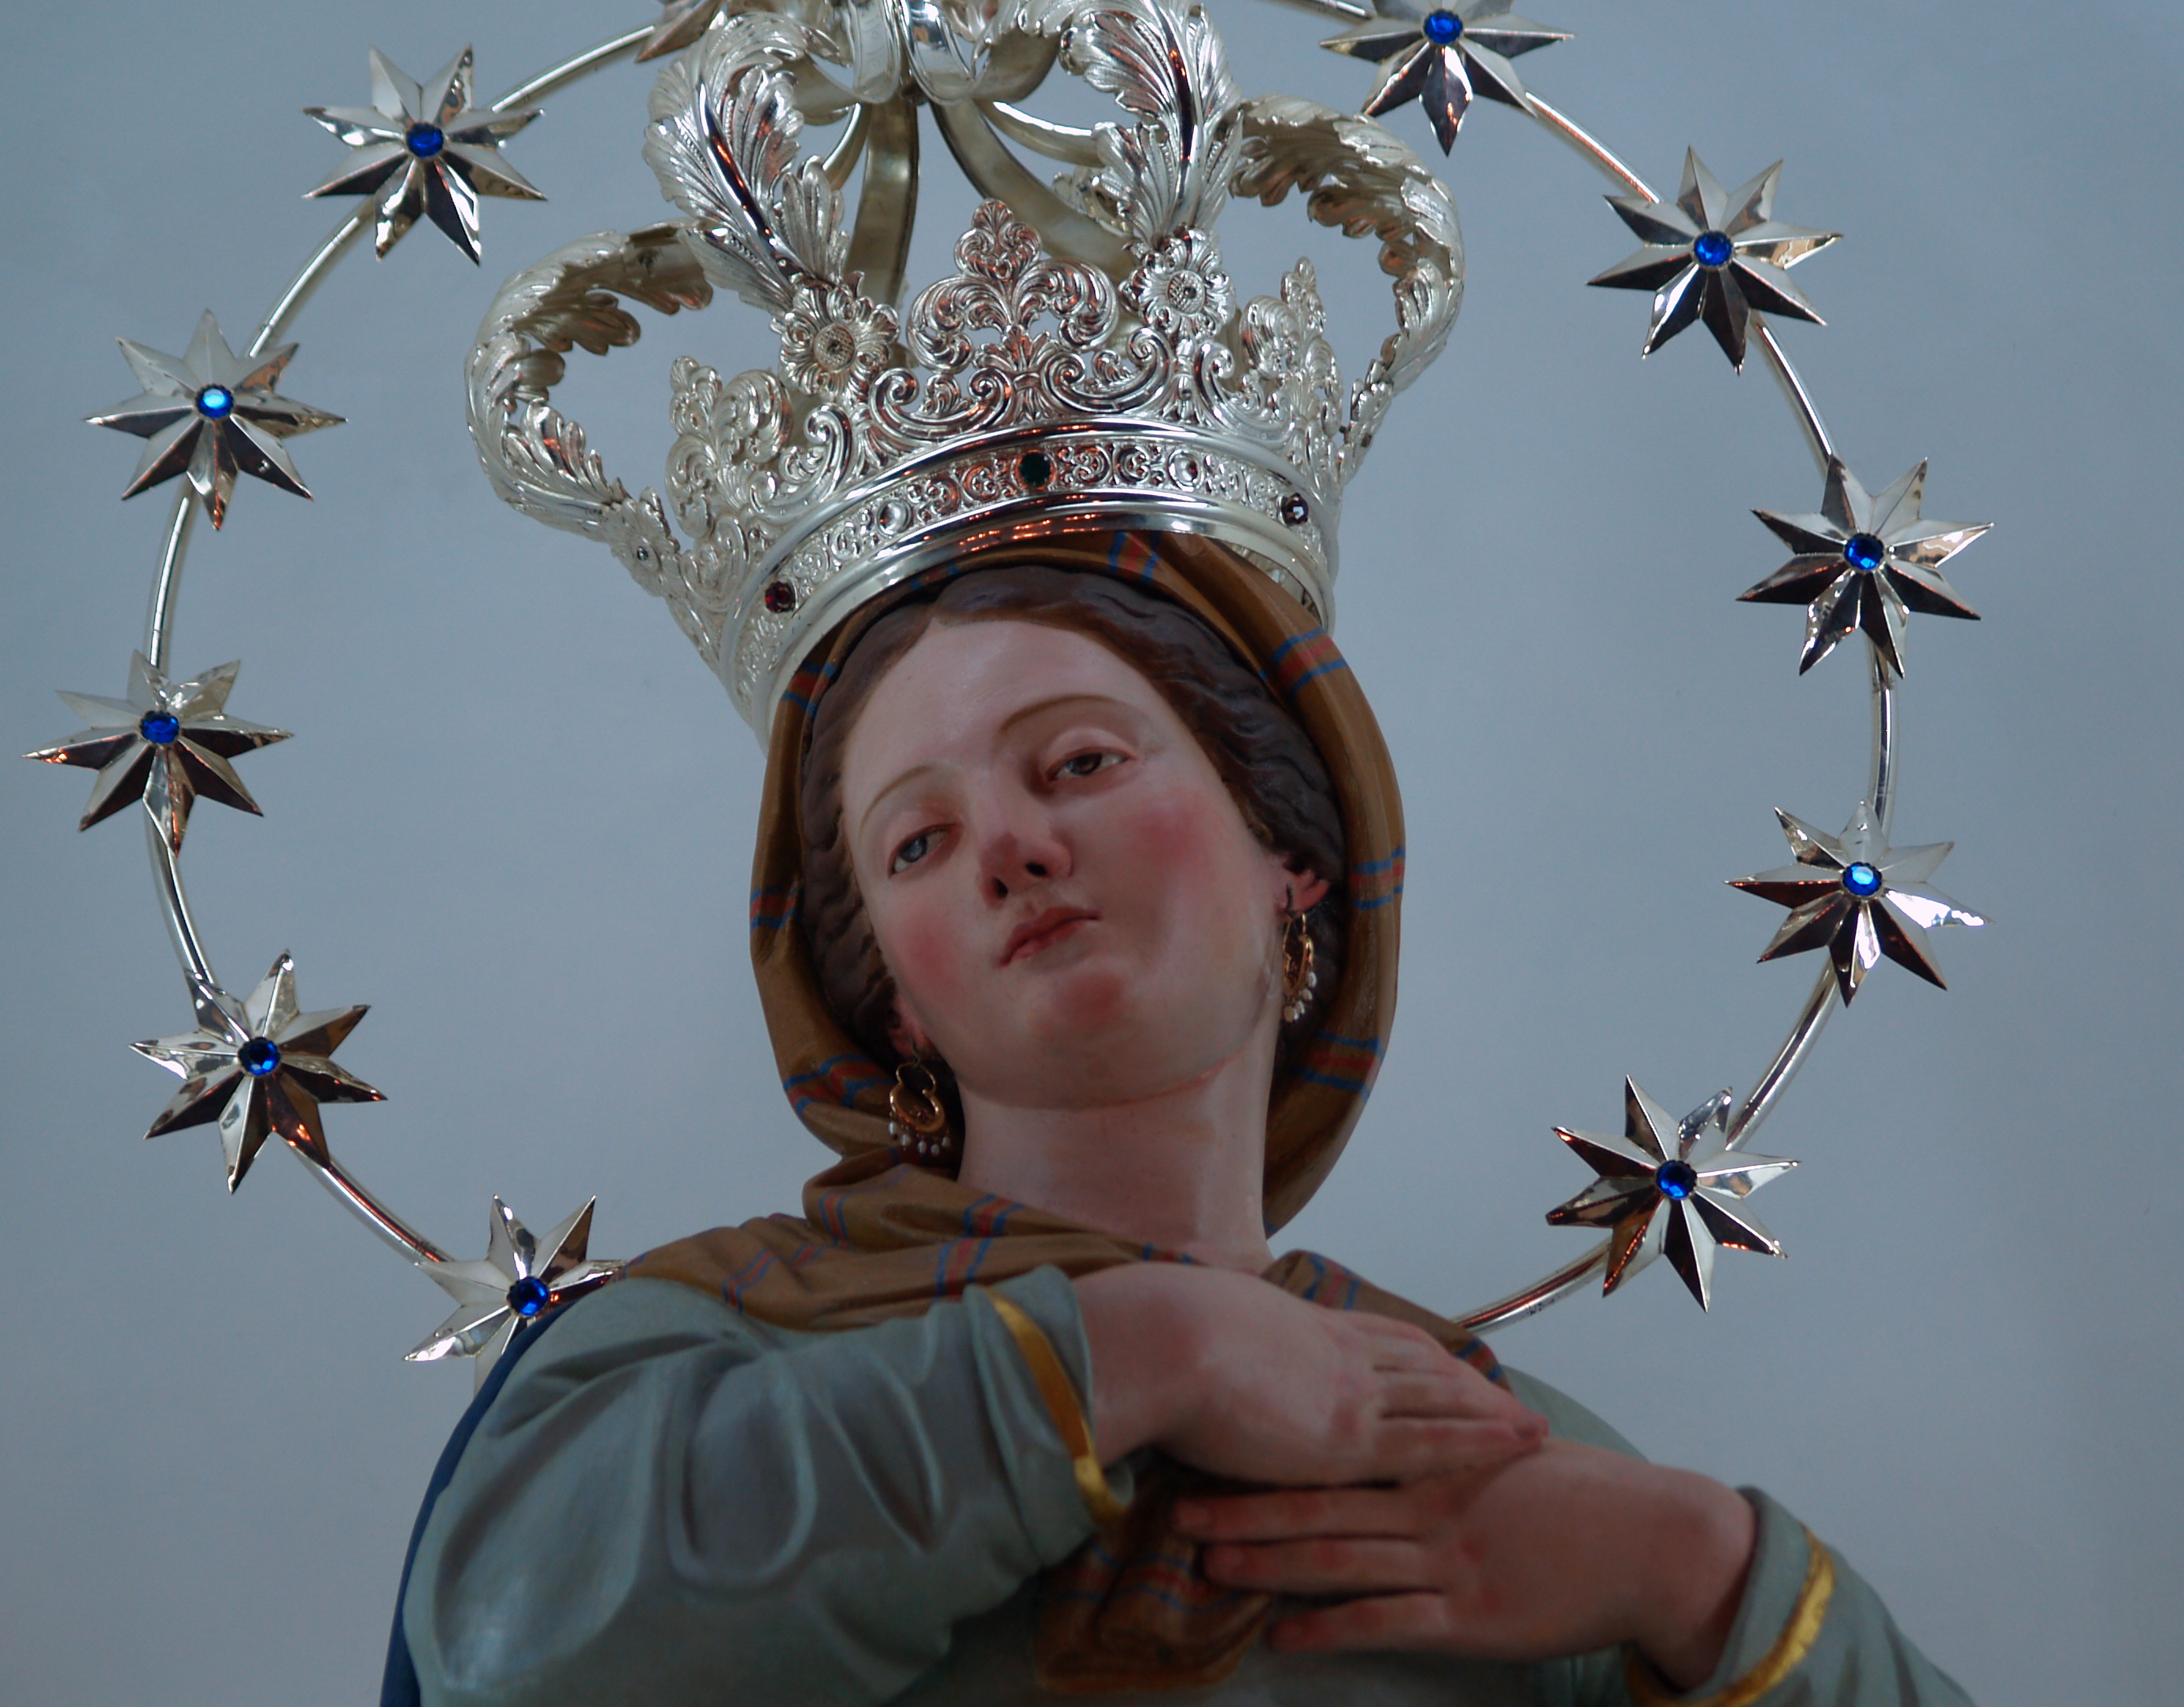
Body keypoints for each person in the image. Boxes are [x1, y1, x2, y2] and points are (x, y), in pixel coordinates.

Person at [384, 531, 1973, 1705]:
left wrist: (1704, 1577)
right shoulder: (698, 1356)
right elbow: (523, 1657)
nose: (1009, 847)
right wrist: (1141, 1351)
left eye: (1077, 761)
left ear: (1292, 850)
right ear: (892, 1002)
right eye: (917, 843)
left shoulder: (1475, 1439)